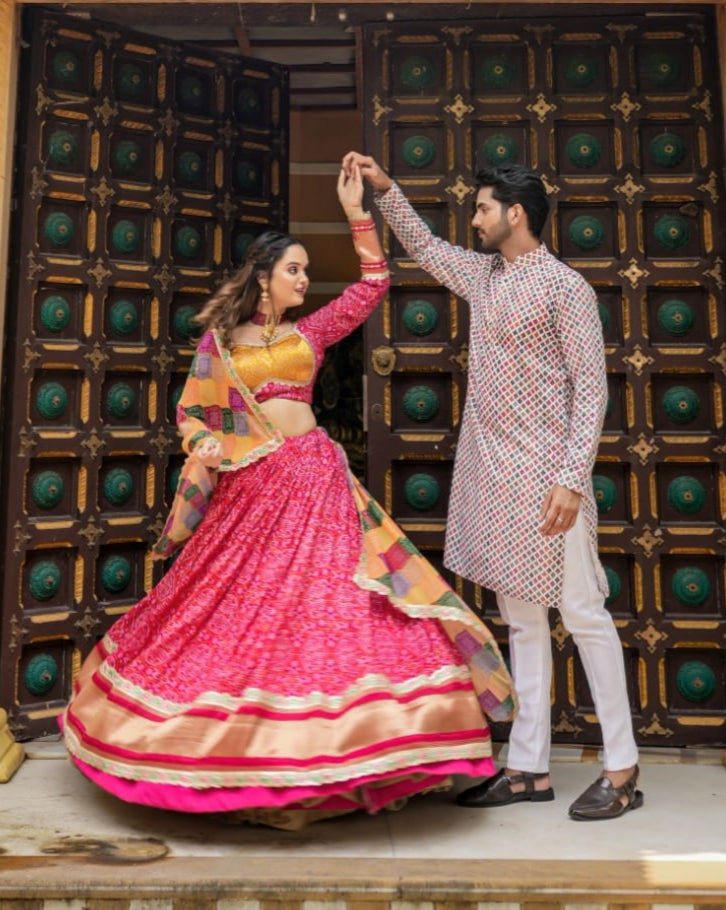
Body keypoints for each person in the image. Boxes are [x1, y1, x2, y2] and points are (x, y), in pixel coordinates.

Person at [60, 164, 516, 831]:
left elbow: (374, 285)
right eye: (294, 270)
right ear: (264, 277)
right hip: (252, 491)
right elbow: (193, 412)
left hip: (315, 482)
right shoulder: (221, 346)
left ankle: (355, 756)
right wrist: (205, 442)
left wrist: (357, 214)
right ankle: (244, 760)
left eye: (305, 270)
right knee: (244, 608)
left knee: (333, 604)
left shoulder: (311, 334)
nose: (303, 280)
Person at [342, 151, 642, 821]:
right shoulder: (485, 276)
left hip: (550, 481)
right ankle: (528, 767)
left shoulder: (565, 288)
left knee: (584, 615)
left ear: (516, 214)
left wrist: (571, 479)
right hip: (496, 478)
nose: (474, 220)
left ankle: (622, 768)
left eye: (482, 209)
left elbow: (591, 389)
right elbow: (425, 247)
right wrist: (386, 190)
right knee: (523, 622)